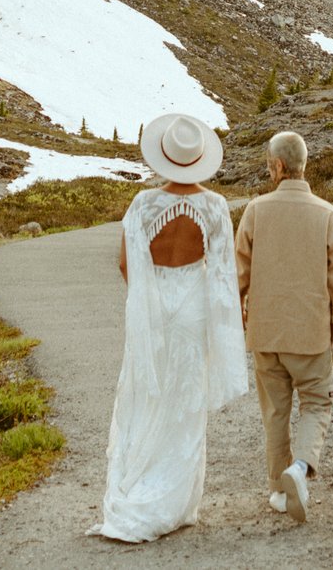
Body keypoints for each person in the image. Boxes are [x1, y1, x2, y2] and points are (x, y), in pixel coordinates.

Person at [90, 113, 249, 543]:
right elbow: (222, 272)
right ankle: (176, 503)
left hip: (155, 306)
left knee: (147, 392)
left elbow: (127, 263)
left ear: (164, 157)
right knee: (186, 399)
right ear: (198, 159)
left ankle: (137, 492)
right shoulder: (215, 206)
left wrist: (147, 302)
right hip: (194, 307)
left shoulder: (143, 205)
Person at [233, 129, 333, 524]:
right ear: (303, 165)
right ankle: (299, 469)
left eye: (268, 164)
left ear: (279, 166)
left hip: (265, 330)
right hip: (310, 330)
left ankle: (279, 493)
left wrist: (239, 314)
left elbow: (239, 274)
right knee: (317, 401)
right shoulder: (327, 213)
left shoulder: (255, 210)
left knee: (275, 411)